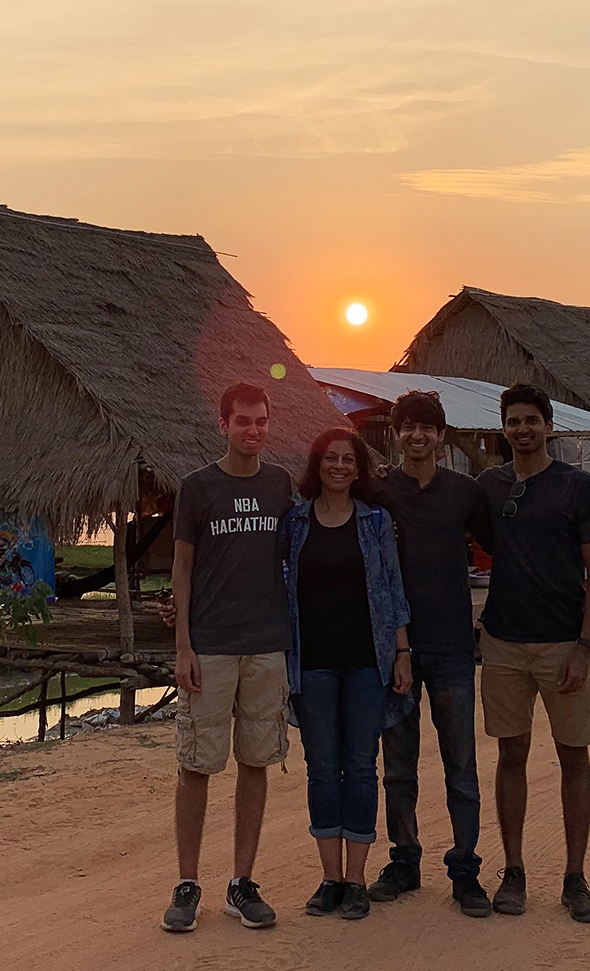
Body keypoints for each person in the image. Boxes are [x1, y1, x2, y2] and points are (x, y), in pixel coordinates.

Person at [476, 383, 590, 923]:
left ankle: (576, 878)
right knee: (511, 755)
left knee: (573, 755)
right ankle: (513, 870)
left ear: (549, 426)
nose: (523, 429)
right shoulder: (489, 485)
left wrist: (585, 646)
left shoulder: (576, 486)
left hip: (561, 643)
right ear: (503, 427)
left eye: (532, 420)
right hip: (504, 641)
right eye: (514, 420)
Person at [162, 382, 294, 933]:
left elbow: (295, 558)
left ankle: (242, 882)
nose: (253, 430)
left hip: (266, 645)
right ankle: (188, 883)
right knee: (196, 764)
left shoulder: (280, 484)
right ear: (223, 425)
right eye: (243, 421)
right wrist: (184, 645)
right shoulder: (198, 488)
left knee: (256, 762)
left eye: (261, 421)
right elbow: (183, 570)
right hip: (211, 649)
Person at [367, 390, 495, 917]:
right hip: (393, 649)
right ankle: (405, 859)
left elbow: (502, 551)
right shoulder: (377, 493)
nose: (417, 435)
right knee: (397, 765)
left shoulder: (464, 494)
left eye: (427, 427)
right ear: (395, 434)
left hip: (451, 647)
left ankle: (466, 869)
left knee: (460, 764)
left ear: (441, 437)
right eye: (407, 426)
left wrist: (491, 619)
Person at [282, 427, 414, 921]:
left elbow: (393, 588)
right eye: (330, 459)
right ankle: (330, 879)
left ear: (360, 469)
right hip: (311, 663)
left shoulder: (376, 522)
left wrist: (402, 652)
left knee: (360, 769)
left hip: (366, 662)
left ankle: (357, 880)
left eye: (348, 460)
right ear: (317, 465)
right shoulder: (294, 523)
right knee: (321, 770)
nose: (338, 466)